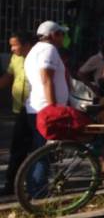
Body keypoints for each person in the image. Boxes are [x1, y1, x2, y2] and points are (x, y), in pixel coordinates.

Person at [23, 22, 71, 194]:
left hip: (36, 108)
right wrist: (53, 109)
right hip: (44, 108)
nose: (63, 38)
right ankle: (38, 192)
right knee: (44, 152)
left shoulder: (34, 50)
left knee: (39, 151)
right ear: (52, 35)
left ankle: (34, 188)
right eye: (61, 34)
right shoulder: (47, 50)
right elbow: (46, 79)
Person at [0, 31, 34, 195]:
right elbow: (8, 76)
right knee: (17, 148)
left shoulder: (36, 57)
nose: (12, 49)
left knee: (33, 148)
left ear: (26, 45)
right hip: (19, 108)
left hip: (34, 108)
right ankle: (11, 184)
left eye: (15, 45)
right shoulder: (16, 58)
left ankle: (34, 184)